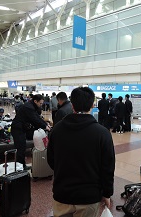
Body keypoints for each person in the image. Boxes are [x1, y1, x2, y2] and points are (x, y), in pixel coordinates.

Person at [47, 87, 115, 217]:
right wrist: (107, 193)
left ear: (72, 105)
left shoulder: (57, 130)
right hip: (89, 197)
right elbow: (108, 167)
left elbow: (51, 160)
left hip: (62, 193)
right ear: (92, 105)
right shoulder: (102, 133)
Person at [11, 94, 51, 170]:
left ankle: (21, 166)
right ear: (35, 101)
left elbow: (37, 117)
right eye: (40, 103)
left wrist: (46, 124)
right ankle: (20, 167)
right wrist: (45, 126)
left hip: (22, 128)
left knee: (22, 147)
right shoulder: (28, 107)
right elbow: (34, 119)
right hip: (17, 129)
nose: (41, 105)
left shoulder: (31, 106)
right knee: (21, 148)